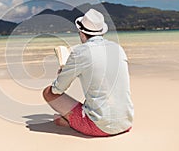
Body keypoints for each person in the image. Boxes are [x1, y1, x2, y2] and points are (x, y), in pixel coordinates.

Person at [43, 8, 134, 137]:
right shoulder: (117, 48)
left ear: (81, 32)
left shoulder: (80, 52)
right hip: (126, 123)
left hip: (101, 127)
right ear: (101, 32)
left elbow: (57, 90)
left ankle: (71, 122)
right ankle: (71, 120)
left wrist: (62, 74)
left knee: (48, 92)